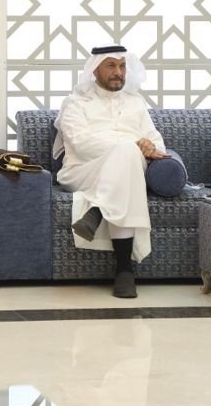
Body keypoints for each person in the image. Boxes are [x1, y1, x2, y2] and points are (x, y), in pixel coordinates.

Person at [53, 45, 167, 298]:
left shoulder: (136, 103)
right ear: (95, 70)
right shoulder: (75, 103)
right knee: (127, 153)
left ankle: (97, 211)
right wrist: (132, 145)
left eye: (122, 66)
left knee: (127, 159)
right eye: (111, 66)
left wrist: (150, 146)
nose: (118, 72)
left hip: (127, 170)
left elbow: (157, 142)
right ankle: (124, 269)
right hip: (83, 170)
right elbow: (81, 144)